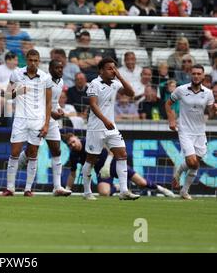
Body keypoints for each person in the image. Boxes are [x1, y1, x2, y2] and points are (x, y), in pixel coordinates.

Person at [82, 57, 139, 200]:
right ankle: (87, 192)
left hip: (111, 127)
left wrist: (119, 75)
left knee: (122, 154)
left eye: (114, 68)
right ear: (101, 70)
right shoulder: (94, 84)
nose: (112, 71)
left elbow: (131, 93)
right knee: (91, 159)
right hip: (96, 128)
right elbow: (93, 105)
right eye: (109, 68)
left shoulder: (115, 83)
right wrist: (105, 120)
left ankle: (124, 191)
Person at [0, 49, 52, 197]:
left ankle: (28, 189)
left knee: (33, 154)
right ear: (26, 60)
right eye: (31, 60)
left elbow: (49, 103)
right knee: (15, 152)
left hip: (37, 121)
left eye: (36, 60)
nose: (33, 63)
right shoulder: (16, 74)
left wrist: (46, 124)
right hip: (20, 119)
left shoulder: (45, 78)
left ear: (39, 61)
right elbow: (7, 95)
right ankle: (10, 188)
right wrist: (18, 92)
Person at [17, 60, 72, 196]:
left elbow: (54, 102)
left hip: (52, 120)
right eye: (57, 67)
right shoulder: (43, 80)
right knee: (32, 152)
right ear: (50, 69)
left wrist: (58, 110)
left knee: (56, 149)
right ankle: (14, 171)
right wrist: (52, 112)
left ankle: (57, 187)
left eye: (61, 67)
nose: (60, 70)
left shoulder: (61, 82)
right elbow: (37, 101)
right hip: (37, 118)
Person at [64, 133, 174, 197]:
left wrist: (107, 164)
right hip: (102, 173)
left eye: (73, 141)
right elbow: (72, 173)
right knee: (104, 193)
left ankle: (161, 189)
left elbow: (111, 149)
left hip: (114, 164)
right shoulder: (74, 155)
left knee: (142, 183)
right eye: (70, 145)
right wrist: (67, 188)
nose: (72, 145)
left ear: (77, 138)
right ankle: (116, 187)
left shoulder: (89, 141)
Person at [166, 64, 216, 200]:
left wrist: (214, 109)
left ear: (203, 76)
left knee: (195, 163)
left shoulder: (208, 93)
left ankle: (184, 191)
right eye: (194, 73)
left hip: (200, 132)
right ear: (190, 75)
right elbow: (168, 104)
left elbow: (211, 113)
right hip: (185, 130)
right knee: (193, 162)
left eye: (199, 74)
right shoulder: (181, 90)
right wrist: (171, 120)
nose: (196, 76)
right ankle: (180, 172)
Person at [0, 51, 18, 126]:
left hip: (14, 93)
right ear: (8, 60)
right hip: (0, 92)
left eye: (17, 60)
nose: (17, 62)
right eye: (15, 60)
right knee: (2, 100)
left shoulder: (18, 71)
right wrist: (4, 89)